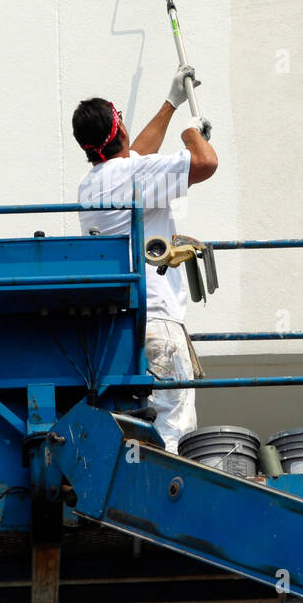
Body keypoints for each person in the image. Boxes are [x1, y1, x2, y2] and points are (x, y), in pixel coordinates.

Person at [72, 66, 218, 453]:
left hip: (118, 327)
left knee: (134, 430)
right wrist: (192, 133)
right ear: (118, 130)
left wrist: (171, 102)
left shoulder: (91, 185)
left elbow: (135, 155)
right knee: (175, 430)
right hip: (158, 322)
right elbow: (206, 162)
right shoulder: (136, 173)